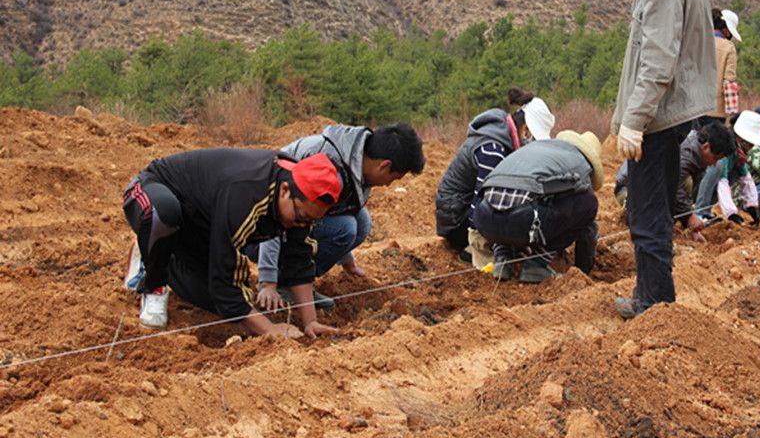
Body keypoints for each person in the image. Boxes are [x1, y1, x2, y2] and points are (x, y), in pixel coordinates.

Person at [591, 0, 716, 320]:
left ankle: (654, 304)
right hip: (674, 112)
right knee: (656, 210)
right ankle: (655, 299)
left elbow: (657, 62)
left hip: (658, 119)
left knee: (646, 216)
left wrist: (634, 121)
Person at [122, 149, 340, 337]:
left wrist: (310, 321)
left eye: (310, 221)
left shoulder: (304, 200)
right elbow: (226, 276)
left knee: (218, 301)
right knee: (163, 214)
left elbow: (298, 258)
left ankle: (163, 255)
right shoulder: (248, 193)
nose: (302, 225)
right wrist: (269, 329)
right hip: (154, 189)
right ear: (284, 190)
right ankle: (153, 274)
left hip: (202, 225)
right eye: (301, 217)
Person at [253, 122, 425, 313]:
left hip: (290, 228)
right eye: (394, 178)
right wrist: (268, 281)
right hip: (256, 232)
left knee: (362, 222)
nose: (388, 185)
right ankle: (288, 283)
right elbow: (275, 213)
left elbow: (341, 209)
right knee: (346, 228)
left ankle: (299, 283)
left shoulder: (358, 162)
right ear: (384, 165)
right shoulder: (329, 168)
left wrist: (348, 263)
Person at [435, 87, 554, 263]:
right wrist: (483, 244)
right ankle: (470, 249)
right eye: (535, 139)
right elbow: (484, 200)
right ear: (526, 131)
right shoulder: (493, 149)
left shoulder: (503, 137)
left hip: (461, 209)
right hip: (456, 221)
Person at [472, 130, 602, 283]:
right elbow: (586, 225)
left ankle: (503, 259)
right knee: (588, 202)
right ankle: (537, 264)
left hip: (482, 217)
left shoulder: (538, 149)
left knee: (508, 199)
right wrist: (583, 271)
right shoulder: (581, 163)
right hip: (521, 220)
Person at [708, 8, 740, 124]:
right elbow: (729, 80)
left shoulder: (700, 40)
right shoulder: (728, 47)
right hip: (716, 110)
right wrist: (732, 109)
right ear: (726, 30)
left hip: (694, 109)